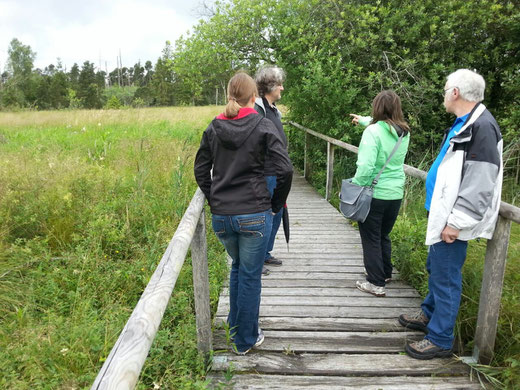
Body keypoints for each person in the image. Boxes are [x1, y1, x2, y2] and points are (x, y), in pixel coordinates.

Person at [399, 69, 503, 360]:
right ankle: (429, 315)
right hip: (442, 213)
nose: (444, 94)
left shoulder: (482, 127)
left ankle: (440, 338)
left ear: (455, 92)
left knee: (446, 278)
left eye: (446, 90)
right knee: (437, 268)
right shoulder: (465, 122)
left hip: (453, 220)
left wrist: (457, 221)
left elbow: (481, 181)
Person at [194, 72, 293, 355]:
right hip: (254, 212)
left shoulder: (214, 127)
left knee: (238, 268)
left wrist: (215, 197)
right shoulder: (262, 125)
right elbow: (285, 169)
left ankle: (237, 326)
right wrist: (275, 203)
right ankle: (244, 340)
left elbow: (201, 169)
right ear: (253, 98)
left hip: (223, 216)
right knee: (250, 274)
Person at [350, 90, 411, 298]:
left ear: (377, 107)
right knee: (383, 234)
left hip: (374, 194)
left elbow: (366, 166)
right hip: (395, 194)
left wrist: (356, 185)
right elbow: (384, 127)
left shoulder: (373, 132)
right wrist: (363, 121)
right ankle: (384, 273)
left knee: (371, 238)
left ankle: (375, 283)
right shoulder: (404, 131)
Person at [254, 65, 289, 276]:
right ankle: (257, 259)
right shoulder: (258, 110)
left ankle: (265, 252)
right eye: (279, 84)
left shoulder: (273, 109)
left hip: (277, 172)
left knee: (277, 212)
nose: (282, 88)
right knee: (266, 215)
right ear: (270, 86)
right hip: (265, 173)